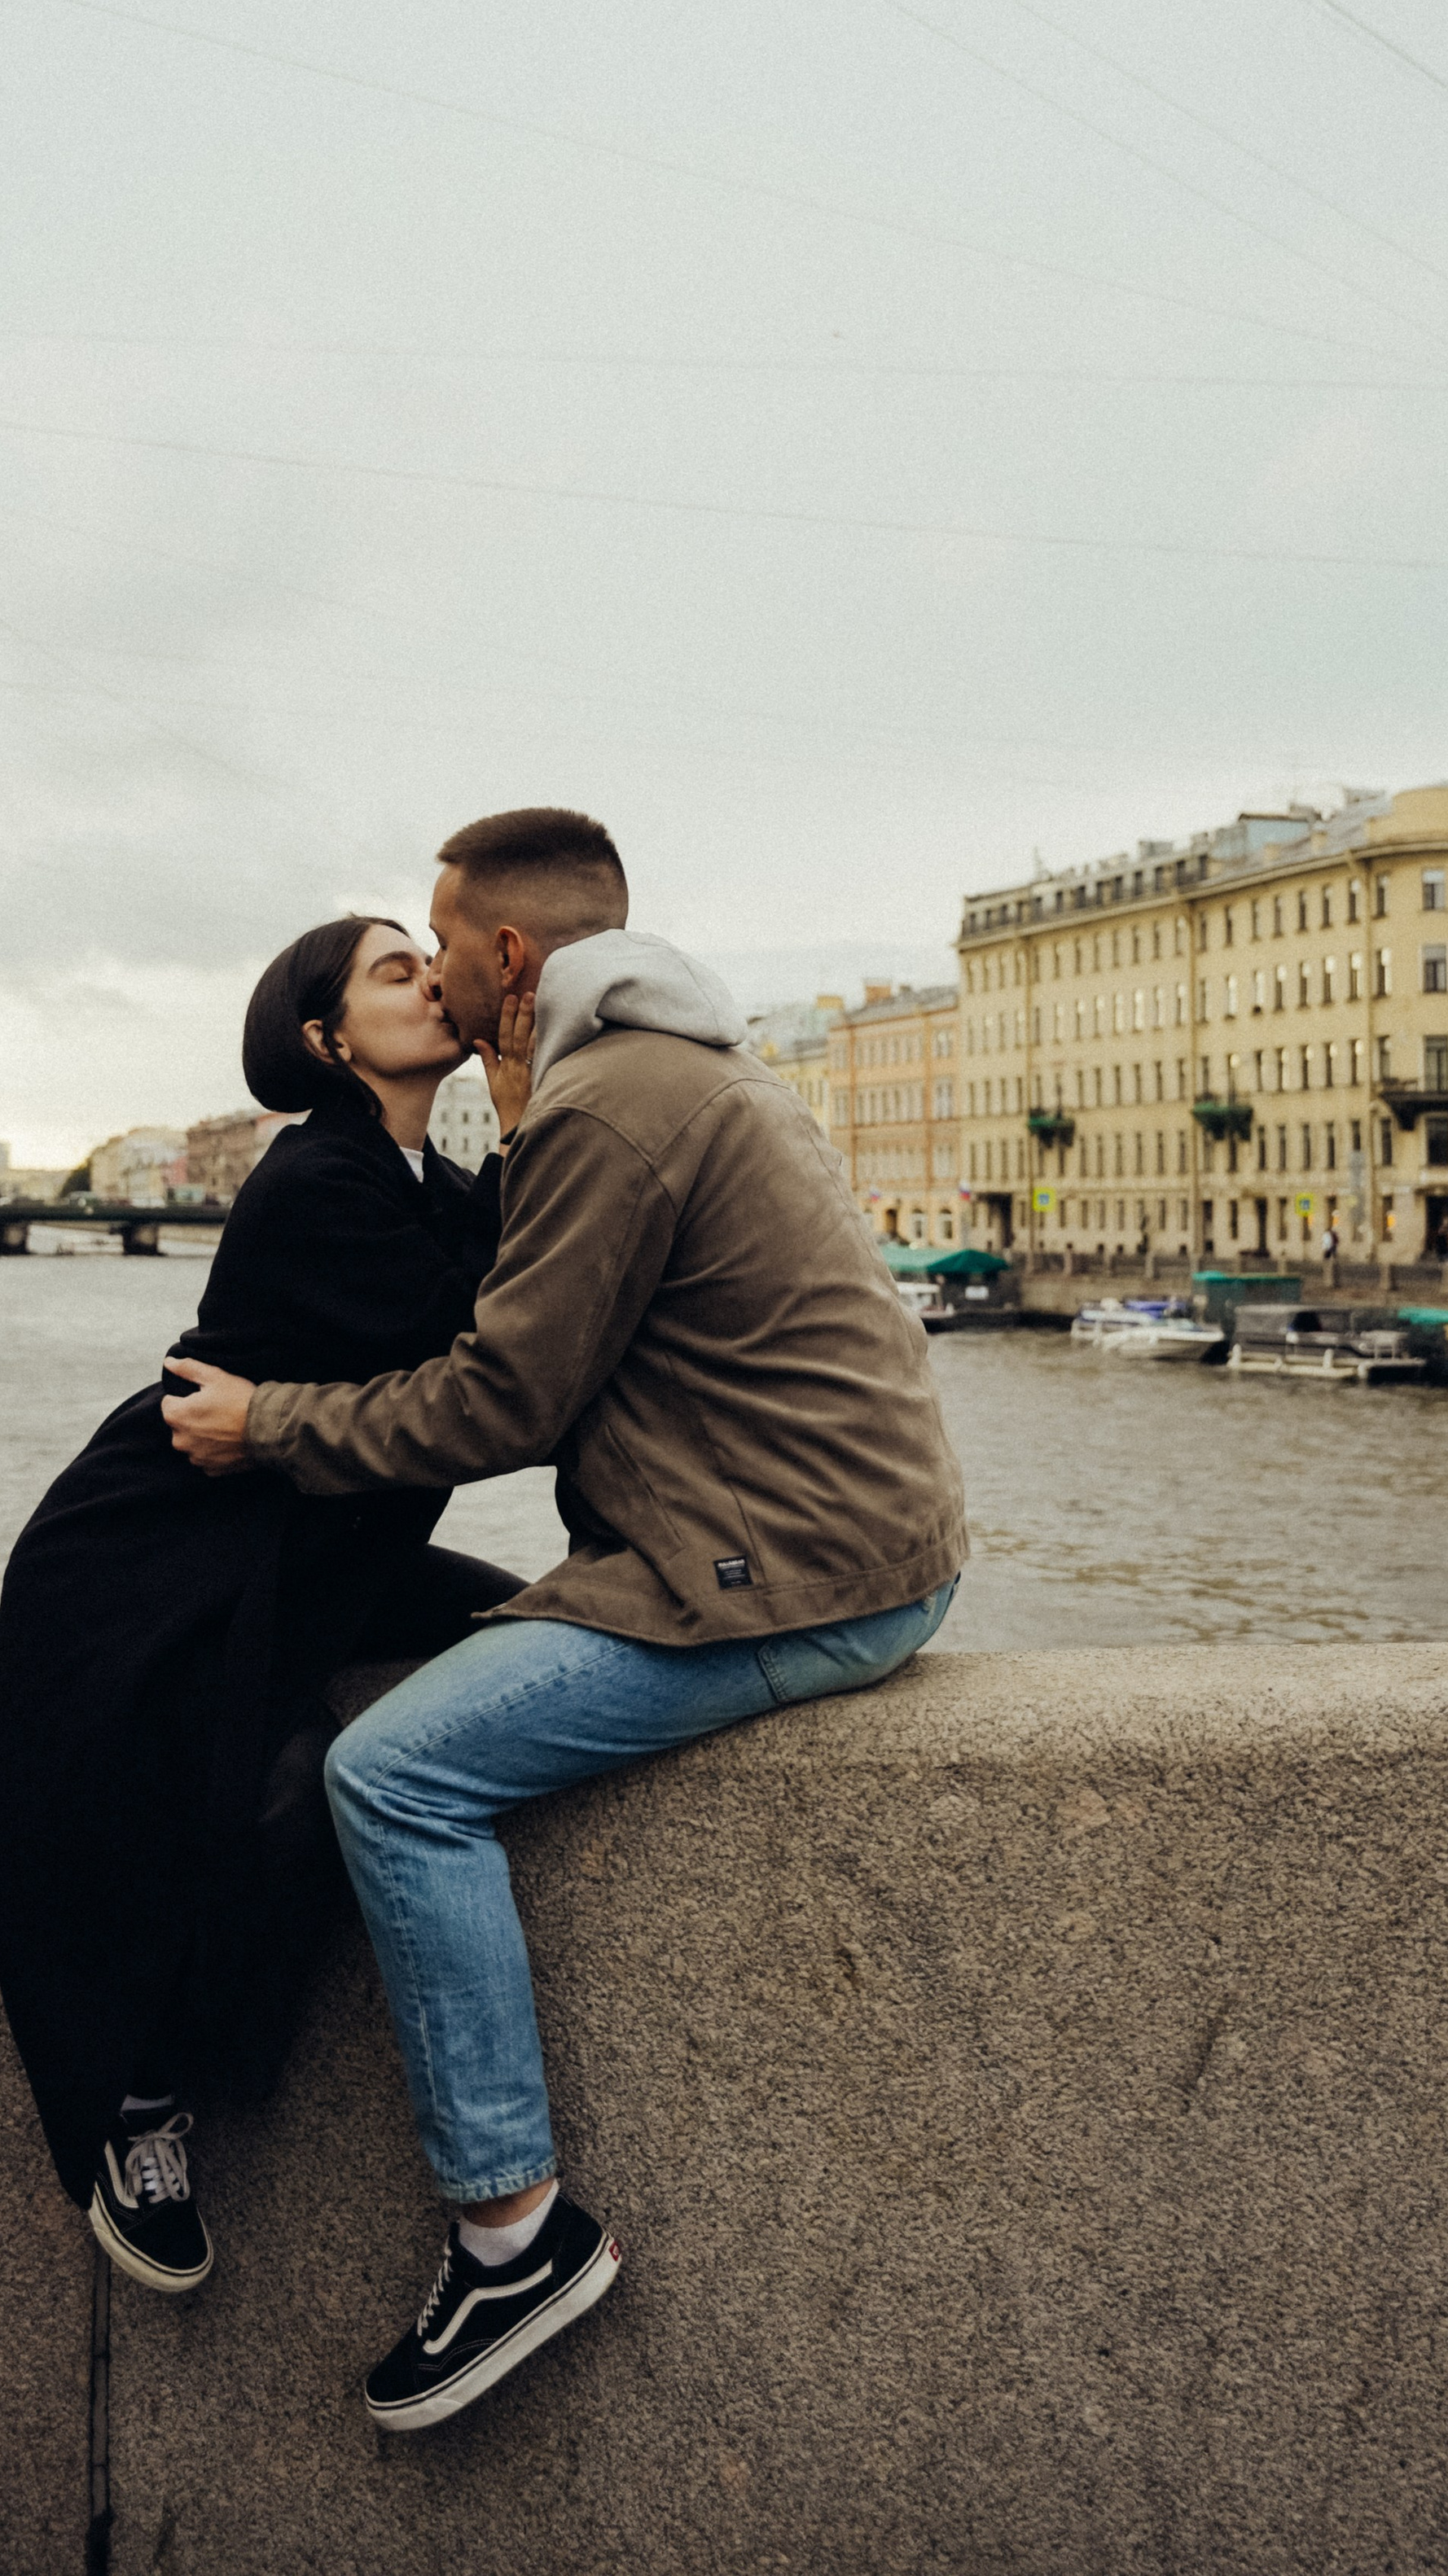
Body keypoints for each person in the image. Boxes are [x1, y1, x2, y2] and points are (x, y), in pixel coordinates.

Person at [165, 807, 967, 2433]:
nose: (439, 981)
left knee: (391, 1774)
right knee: (436, 1675)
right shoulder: (682, 1066)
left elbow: (501, 1402)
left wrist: (270, 1430)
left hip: (782, 1575)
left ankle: (510, 2232)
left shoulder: (608, 1107)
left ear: (512, 956)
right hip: (845, 1546)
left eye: (445, 948)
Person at [0, 914, 536, 2295]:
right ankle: (143, 2099)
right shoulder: (318, 1181)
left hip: (312, 1548)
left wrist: (522, 1092)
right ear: (327, 1040)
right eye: (395, 972)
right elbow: (497, 1337)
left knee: (530, 1632)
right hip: (165, 1549)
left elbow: (519, 1252)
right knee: (273, 1781)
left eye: (431, 959)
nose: (431, 980)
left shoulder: (416, 1171)